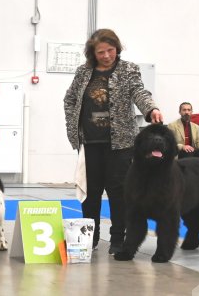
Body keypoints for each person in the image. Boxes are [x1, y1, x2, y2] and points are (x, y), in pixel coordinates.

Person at [64, 28, 163, 255]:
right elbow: (69, 99)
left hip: (120, 143)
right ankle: (89, 237)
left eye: (110, 50)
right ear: (92, 53)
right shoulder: (83, 72)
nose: (107, 55)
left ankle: (118, 238)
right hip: (89, 142)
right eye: (101, 52)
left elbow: (140, 92)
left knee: (119, 192)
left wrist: (151, 109)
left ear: (117, 48)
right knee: (90, 193)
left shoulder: (129, 69)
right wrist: (72, 124)